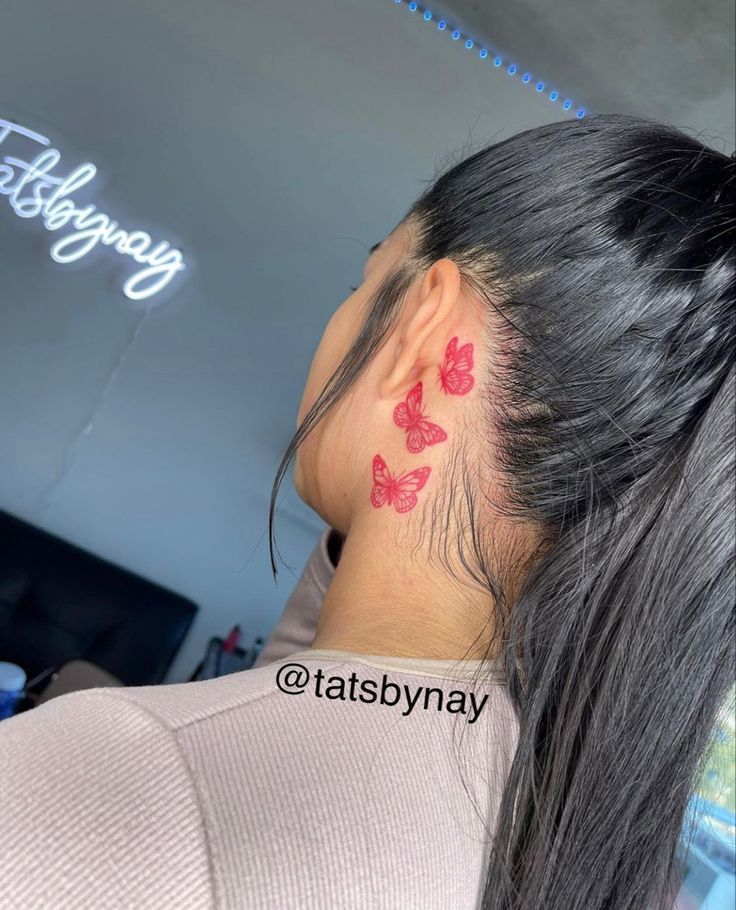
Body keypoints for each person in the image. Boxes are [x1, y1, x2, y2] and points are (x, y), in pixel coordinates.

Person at [0, 113, 733, 910]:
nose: (340, 319)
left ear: (425, 335)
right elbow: (328, 694)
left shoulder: (116, 783)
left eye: (363, 283)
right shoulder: (618, 868)